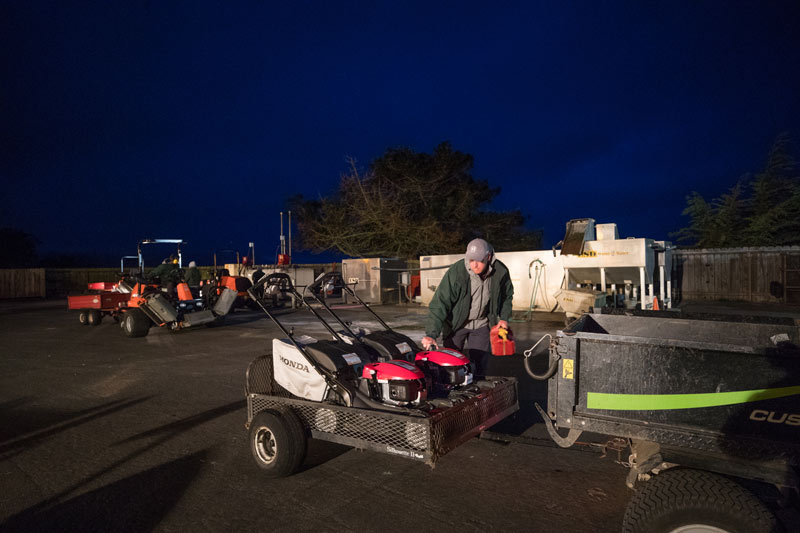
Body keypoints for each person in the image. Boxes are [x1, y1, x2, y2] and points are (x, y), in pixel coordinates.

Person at [421, 238, 514, 377]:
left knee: (479, 365)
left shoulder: (500, 271)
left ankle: (478, 394)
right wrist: (431, 334)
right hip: (456, 325)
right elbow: (439, 303)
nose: (474, 265)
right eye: (471, 260)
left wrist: (504, 318)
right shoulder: (457, 272)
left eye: (479, 261)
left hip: (482, 324)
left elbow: (507, 296)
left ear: (488, 257)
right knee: (452, 365)